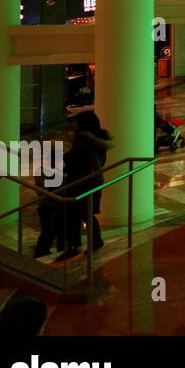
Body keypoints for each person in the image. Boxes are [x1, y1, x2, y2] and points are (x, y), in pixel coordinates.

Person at [57, 111, 113, 260]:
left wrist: (67, 158)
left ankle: (75, 245)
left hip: (82, 182)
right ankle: (93, 241)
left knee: (75, 214)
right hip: (91, 182)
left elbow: (84, 160)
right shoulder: (98, 137)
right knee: (85, 214)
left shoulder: (84, 139)